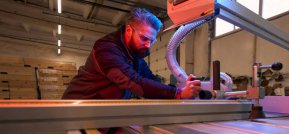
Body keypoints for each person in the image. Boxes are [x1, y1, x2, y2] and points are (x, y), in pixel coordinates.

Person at [62, 8, 200, 100]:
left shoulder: (134, 55)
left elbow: (150, 80)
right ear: (129, 30)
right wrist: (179, 94)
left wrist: (179, 88)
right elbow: (134, 83)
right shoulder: (106, 49)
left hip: (105, 109)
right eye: (144, 38)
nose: (148, 45)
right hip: (82, 105)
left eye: (151, 41)